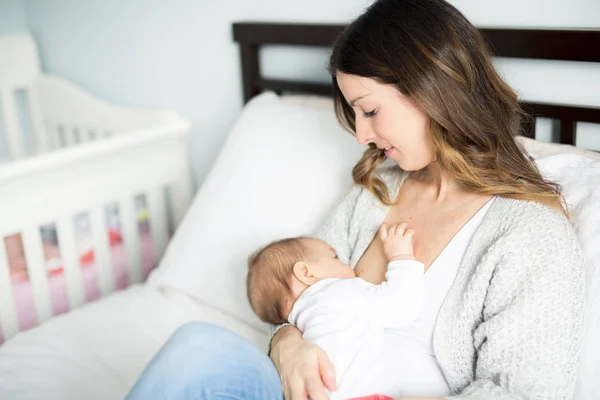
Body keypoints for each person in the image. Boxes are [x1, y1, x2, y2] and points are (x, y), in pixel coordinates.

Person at [126, 0, 585, 399]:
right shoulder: (378, 190)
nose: (363, 134)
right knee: (196, 350)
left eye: (369, 110)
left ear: (432, 90)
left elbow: (527, 393)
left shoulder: (529, 235)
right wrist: (287, 346)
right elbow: (295, 295)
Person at [246, 223, 427, 399]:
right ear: (306, 273)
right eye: (335, 258)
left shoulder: (301, 322)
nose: (348, 264)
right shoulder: (334, 291)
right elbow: (398, 308)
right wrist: (401, 256)